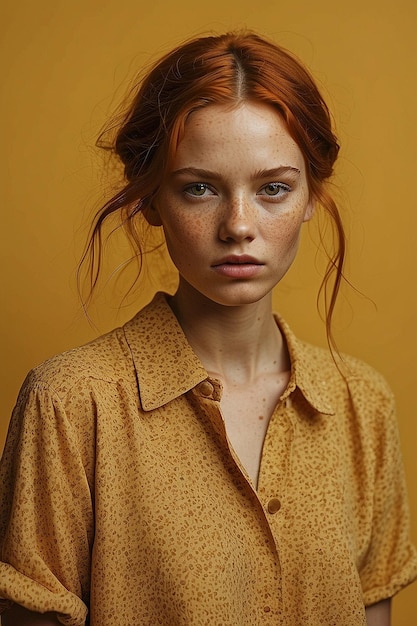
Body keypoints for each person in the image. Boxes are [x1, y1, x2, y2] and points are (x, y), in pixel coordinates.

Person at [0, 31, 416, 626]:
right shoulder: (70, 403)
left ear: (311, 198)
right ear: (151, 201)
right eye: (200, 188)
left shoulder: (362, 406)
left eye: (273, 188)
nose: (238, 225)